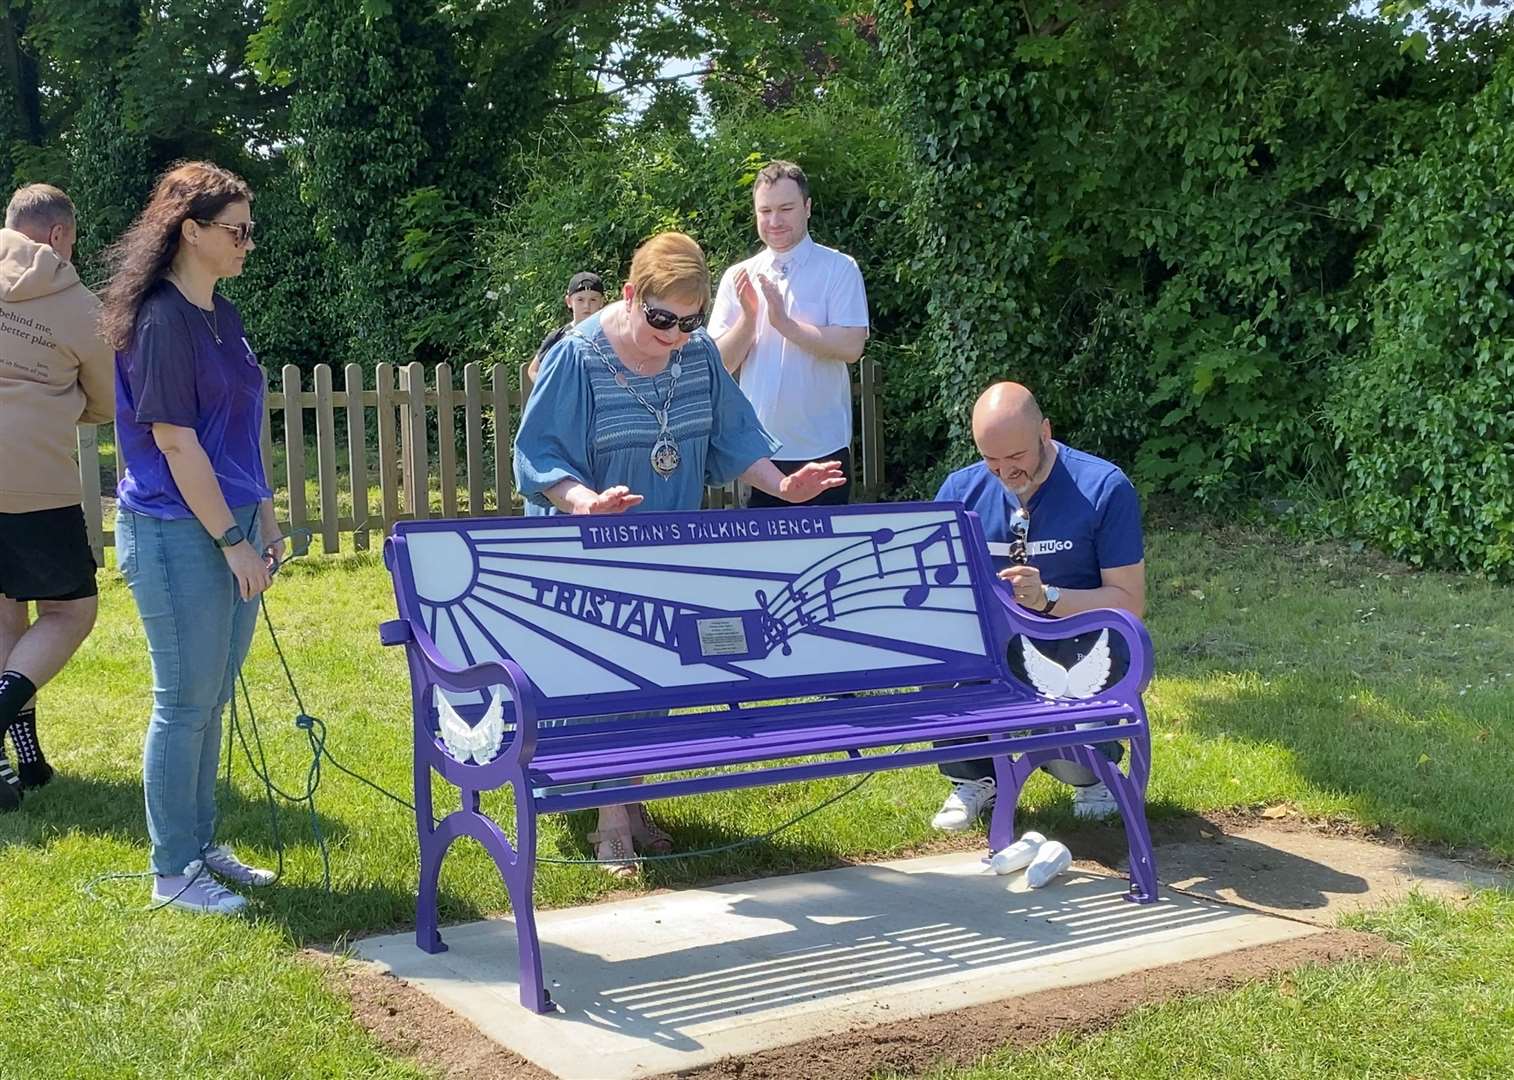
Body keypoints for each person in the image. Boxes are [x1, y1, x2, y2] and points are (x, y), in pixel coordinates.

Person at [515, 230, 844, 876]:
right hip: (584, 542)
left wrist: (782, 484)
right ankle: (611, 823)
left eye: (689, 322)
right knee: (610, 673)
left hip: (665, 539)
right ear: (633, 296)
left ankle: (631, 801)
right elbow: (540, 456)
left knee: (657, 673)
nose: (674, 335)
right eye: (662, 319)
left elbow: (731, 437)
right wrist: (584, 501)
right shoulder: (578, 358)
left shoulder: (695, 359)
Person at [101, 161, 284, 915]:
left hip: (229, 521)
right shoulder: (162, 321)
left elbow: (239, 428)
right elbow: (176, 444)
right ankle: (172, 873)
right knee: (183, 702)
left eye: (250, 230)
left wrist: (263, 514)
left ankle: (200, 843)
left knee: (211, 701)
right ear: (191, 231)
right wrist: (230, 542)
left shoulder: (223, 316)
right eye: (236, 230)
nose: (248, 242)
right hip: (178, 532)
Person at [930, 381, 1146, 830]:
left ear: (1045, 432)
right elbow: (937, 591)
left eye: (1017, 458)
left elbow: (1129, 603)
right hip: (994, 651)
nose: (1006, 474)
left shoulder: (1103, 487)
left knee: (1074, 758)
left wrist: (1048, 599)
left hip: (1081, 647)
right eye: (991, 460)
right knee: (937, 678)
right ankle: (972, 779)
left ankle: (1092, 778)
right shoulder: (960, 490)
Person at [0, 183, 115, 809]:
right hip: (33, 477)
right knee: (70, 612)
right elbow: (106, 399)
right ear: (60, 235)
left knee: (2, 614)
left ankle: (23, 764)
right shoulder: (78, 304)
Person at [707, 160, 869, 507]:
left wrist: (786, 325)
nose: (775, 221)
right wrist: (750, 320)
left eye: (785, 208)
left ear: (807, 208)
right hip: (759, 456)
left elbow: (852, 346)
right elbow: (717, 364)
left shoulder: (838, 269)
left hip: (823, 449)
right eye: (765, 210)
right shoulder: (739, 276)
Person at [526, 270, 606, 383]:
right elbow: (533, 370)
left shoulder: (610, 336)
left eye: (593, 300)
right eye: (580, 300)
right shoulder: (558, 337)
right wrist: (550, 388)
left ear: (601, 302)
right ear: (569, 301)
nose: (586, 306)